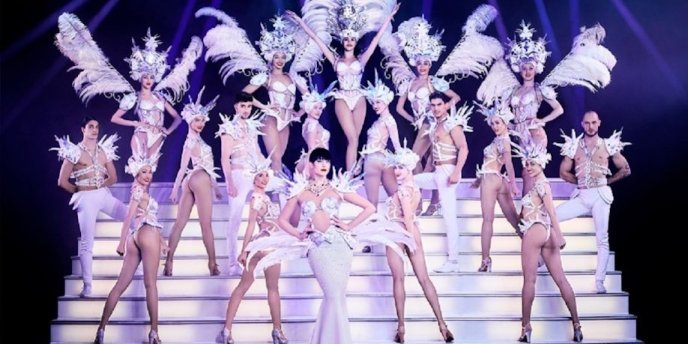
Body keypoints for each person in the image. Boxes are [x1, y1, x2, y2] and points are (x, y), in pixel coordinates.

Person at [244, 148, 413, 344]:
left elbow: (370, 207)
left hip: (340, 246)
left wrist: (349, 225)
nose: (324, 165)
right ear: (312, 165)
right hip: (317, 248)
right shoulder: (300, 192)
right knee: (332, 295)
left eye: (327, 161)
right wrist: (299, 234)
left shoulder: (337, 188)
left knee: (337, 296)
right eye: (320, 161)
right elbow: (282, 220)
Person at [380, 5, 502, 213]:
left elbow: (456, 97)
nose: (423, 66)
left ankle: (428, 202)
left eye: (427, 63)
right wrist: (413, 118)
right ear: (415, 63)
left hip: (432, 124)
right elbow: (399, 107)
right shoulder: (409, 84)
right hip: (421, 126)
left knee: (425, 162)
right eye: (420, 63)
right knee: (421, 163)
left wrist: (439, 111)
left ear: (430, 64)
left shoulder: (435, 83)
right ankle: (424, 202)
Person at [477, 23, 617, 194]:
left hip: (535, 135)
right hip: (520, 135)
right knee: (529, 172)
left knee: (529, 171)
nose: (527, 71)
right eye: (524, 68)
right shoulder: (512, 90)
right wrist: (509, 125)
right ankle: (535, 207)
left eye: (531, 68)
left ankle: (530, 209)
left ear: (536, 69)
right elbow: (502, 112)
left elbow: (559, 109)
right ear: (519, 69)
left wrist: (542, 120)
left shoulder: (540, 90)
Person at [55, 13, 200, 164]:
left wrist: (168, 131)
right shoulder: (134, 97)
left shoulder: (160, 97)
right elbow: (115, 118)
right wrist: (135, 123)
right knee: (141, 172)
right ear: (140, 77)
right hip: (141, 135)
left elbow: (177, 117)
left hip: (159, 136)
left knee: (149, 175)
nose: (148, 80)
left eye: (151, 77)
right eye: (145, 77)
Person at [287, 0, 400, 170]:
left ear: (355, 41)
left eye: (352, 39)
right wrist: (302, 22)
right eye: (346, 39)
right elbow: (317, 39)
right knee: (352, 138)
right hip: (342, 98)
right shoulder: (335, 59)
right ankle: (349, 175)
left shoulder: (361, 59)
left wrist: (389, 17)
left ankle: (351, 176)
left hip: (359, 97)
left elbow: (376, 39)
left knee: (354, 139)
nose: (349, 41)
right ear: (342, 41)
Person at [197, 9, 310, 173]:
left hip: (287, 121)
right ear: (270, 56)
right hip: (271, 119)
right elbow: (244, 95)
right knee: (276, 158)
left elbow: (310, 99)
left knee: (279, 158)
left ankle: (269, 189)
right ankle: (277, 195)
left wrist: (298, 113)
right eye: (276, 56)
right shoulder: (266, 77)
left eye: (283, 57)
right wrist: (265, 108)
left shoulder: (292, 77)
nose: (279, 60)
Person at [381, 146, 454, 343]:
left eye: (401, 168)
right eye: (395, 167)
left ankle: (401, 327)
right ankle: (442, 324)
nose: (397, 171)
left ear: (410, 169)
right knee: (424, 279)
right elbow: (414, 213)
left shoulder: (404, 191)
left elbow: (406, 217)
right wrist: (413, 237)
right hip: (413, 231)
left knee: (398, 279)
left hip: (399, 233)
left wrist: (409, 239)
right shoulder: (415, 189)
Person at [512, 141, 582, 343]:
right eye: (526, 164)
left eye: (532, 163)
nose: (528, 167)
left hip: (536, 231)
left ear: (541, 164)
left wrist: (559, 235)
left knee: (529, 281)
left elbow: (551, 211)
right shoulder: (537, 184)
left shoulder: (542, 184)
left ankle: (526, 328)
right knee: (561, 280)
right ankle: (577, 325)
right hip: (544, 232)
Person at [93, 153, 167, 344]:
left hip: (138, 236)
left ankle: (101, 330)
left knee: (120, 285)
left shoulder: (140, 191)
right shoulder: (138, 192)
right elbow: (129, 217)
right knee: (151, 285)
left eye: (150, 172)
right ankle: (154, 333)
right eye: (144, 172)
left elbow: (148, 217)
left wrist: (162, 240)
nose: (148, 176)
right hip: (145, 234)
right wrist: (120, 241)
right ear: (136, 173)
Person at [554, 111, 631, 293]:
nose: (590, 126)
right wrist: (580, 183)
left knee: (602, 238)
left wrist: (607, 182)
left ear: (599, 123)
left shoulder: (608, 145)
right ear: (582, 124)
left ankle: (599, 281)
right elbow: (563, 172)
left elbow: (625, 169)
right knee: (553, 216)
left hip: (600, 194)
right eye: (587, 123)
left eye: (594, 123)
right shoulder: (574, 146)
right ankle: (545, 255)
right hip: (582, 194)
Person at [51, 116, 127, 297]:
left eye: (97, 127)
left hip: (102, 195)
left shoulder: (104, 150)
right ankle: (87, 285)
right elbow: (62, 181)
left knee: (133, 218)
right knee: (87, 242)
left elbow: (114, 178)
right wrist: (80, 190)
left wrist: (98, 187)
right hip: (85, 198)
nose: (95, 130)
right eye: (91, 127)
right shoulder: (74, 151)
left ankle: (136, 266)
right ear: (83, 129)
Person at [217, 155, 288, 344]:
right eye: (260, 176)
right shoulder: (257, 197)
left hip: (267, 245)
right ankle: (276, 331)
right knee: (270, 289)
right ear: (253, 179)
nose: (264, 179)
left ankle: (227, 330)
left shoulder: (263, 196)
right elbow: (250, 225)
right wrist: (244, 250)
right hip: (266, 245)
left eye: (266, 175)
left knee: (248, 287)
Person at [164, 88, 223, 276]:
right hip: (200, 178)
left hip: (191, 179)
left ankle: (169, 262)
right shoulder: (191, 142)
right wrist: (174, 190)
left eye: (203, 121)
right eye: (197, 120)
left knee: (179, 223)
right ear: (189, 120)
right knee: (206, 225)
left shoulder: (193, 140)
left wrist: (178, 189)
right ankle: (213, 264)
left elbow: (187, 168)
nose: (201, 124)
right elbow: (185, 167)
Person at [414, 93, 471, 273]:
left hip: (448, 172)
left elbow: (464, 148)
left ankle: (453, 261)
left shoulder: (451, 124)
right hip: (438, 172)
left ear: (446, 105)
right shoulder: (435, 125)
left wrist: (456, 172)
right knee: (410, 180)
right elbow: (433, 154)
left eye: (439, 104)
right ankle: (410, 217)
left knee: (449, 217)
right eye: (433, 105)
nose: (436, 108)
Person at [217, 92, 271, 275]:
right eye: (243, 106)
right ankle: (233, 263)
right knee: (235, 217)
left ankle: (260, 253)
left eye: (249, 106)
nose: (246, 110)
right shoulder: (228, 128)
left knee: (269, 204)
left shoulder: (252, 126)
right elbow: (225, 158)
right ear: (235, 107)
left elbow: (256, 151)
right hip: (238, 174)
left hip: (256, 174)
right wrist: (229, 182)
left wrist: (266, 170)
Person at [471, 103, 520, 272]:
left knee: (487, 220)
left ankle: (485, 260)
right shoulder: (500, 139)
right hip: (498, 179)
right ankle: (540, 254)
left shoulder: (504, 141)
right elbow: (491, 163)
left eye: (497, 122)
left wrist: (513, 183)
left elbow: (509, 163)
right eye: (492, 123)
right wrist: (478, 181)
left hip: (492, 180)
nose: (494, 126)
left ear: (505, 122)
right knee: (515, 221)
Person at [295, 81, 336, 176]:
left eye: (320, 108)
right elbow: (312, 148)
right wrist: (312, 169)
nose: (318, 111)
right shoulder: (312, 125)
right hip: (316, 163)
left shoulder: (309, 123)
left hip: (318, 162)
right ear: (308, 108)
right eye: (315, 108)